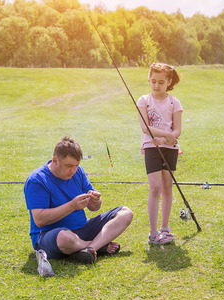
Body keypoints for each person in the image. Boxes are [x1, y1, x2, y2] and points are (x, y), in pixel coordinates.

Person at [24, 137, 133, 272]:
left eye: (76, 165)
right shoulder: (37, 180)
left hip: (81, 229)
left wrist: (96, 201)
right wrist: (71, 206)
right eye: (69, 166)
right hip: (50, 235)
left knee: (126, 213)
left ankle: (89, 249)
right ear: (55, 160)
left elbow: (94, 208)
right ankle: (98, 246)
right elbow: (40, 220)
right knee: (65, 238)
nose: (73, 170)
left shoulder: (78, 172)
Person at [136, 62, 182, 245]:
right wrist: (167, 136)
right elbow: (145, 128)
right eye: (153, 81)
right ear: (149, 79)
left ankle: (165, 228)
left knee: (166, 187)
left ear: (169, 82)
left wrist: (166, 140)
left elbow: (177, 130)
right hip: (150, 147)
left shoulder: (174, 102)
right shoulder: (143, 101)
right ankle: (153, 232)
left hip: (169, 148)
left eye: (161, 82)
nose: (156, 85)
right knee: (155, 187)